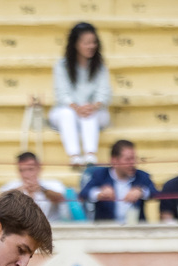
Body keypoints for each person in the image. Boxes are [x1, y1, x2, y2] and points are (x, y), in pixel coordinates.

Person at [50, 22, 111, 168]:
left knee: (89, 112)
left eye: (94, 42)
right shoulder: (61, 65)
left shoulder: (100, 65)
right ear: (76, 44)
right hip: (68, 112)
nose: (91, 46)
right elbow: (61, 94)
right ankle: (75, 156)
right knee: (66, 113)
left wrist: (93, 106)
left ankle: (90, 156)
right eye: (86, 43)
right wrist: (76, 108)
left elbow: (104, 93)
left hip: (94, 113)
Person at [78, 139, 156, 222]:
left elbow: (156, 193)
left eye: (134, 159)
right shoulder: (101, 175)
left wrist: (141, 192)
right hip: (107, 229)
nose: (133, 163)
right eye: (128, 159)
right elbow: (83, 194)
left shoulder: (141, 176)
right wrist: (100, 193)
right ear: (114, 160)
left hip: (135, 229)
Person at [0, 152, 66, 221]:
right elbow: (0, 203)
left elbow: (60, 198)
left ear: (39, 168)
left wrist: (41, 189)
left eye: (30, 169)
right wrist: (19, 191)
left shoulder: (53, 184)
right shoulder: (10, 186)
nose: (26, 174)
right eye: (22, 170)